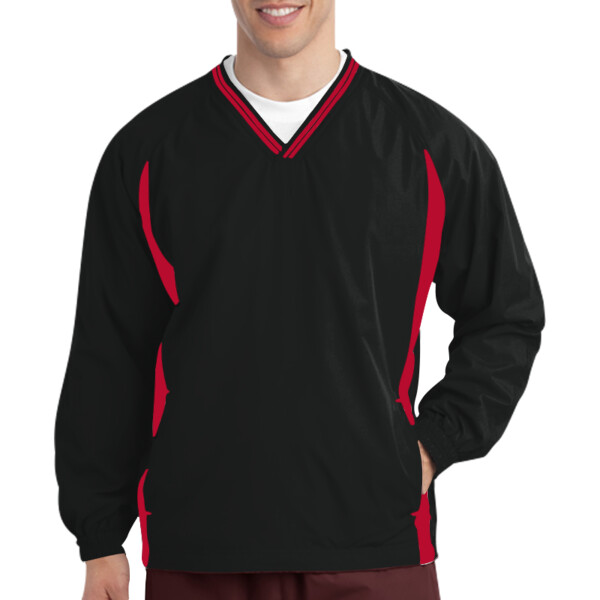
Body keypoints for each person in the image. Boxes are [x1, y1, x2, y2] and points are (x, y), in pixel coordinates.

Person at [53, 1, 546, 599]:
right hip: (199, 549)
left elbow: (506, 315)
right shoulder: (147, 153)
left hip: (377, 546)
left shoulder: (433, 147)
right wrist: (100, 537)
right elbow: (109, 352)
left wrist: (434, 444)